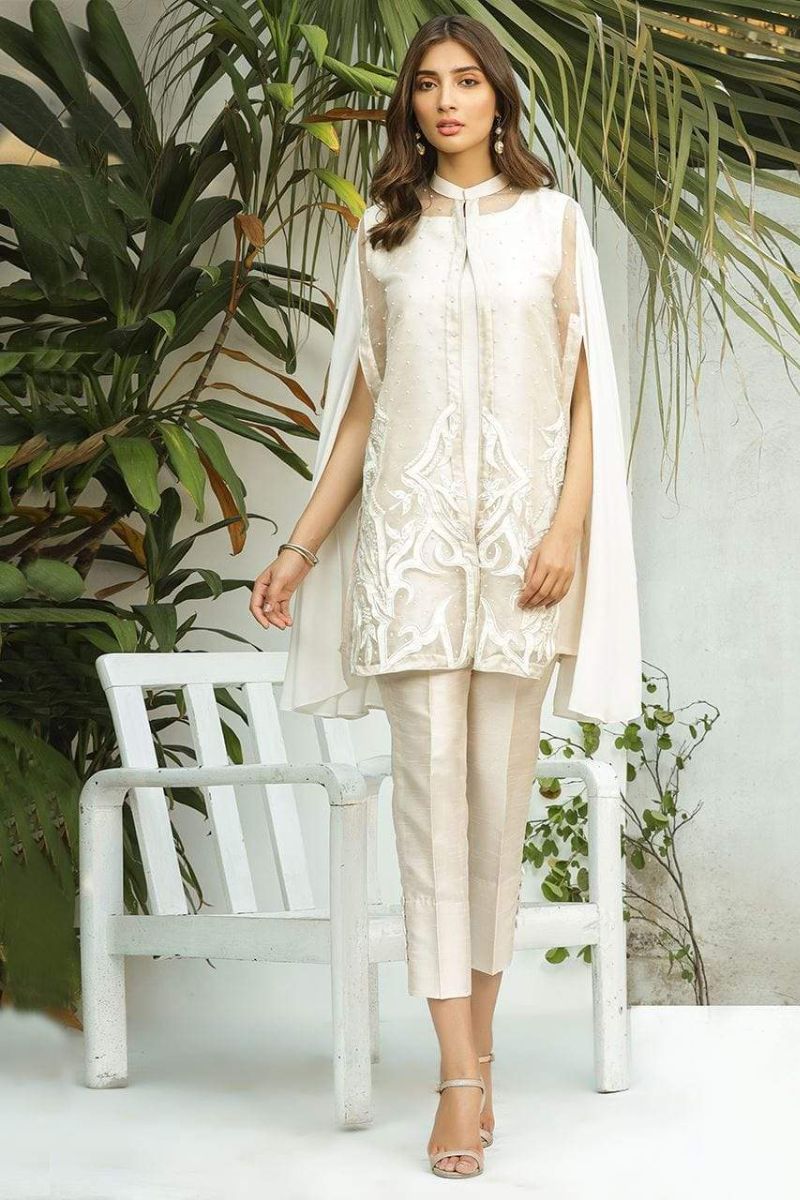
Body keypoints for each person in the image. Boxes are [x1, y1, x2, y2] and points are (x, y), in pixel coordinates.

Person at [249, 13, 641, 1181]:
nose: (446, 100)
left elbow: (586, 396)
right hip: (410, 557)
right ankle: (458, 1079)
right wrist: (299, 548)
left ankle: (474, 1056)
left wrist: (563, 527)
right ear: (408, 107)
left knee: (491, 817)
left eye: (466, 81)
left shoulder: (553, 225)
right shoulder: (382, 234)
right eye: (427, 84)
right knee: (427, 821)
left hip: (523, 558)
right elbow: (358, 415)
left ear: (498, 99)